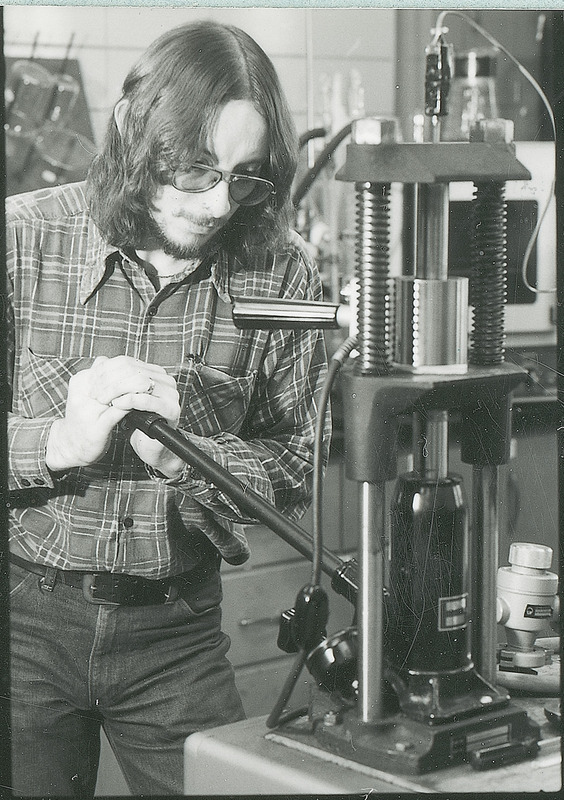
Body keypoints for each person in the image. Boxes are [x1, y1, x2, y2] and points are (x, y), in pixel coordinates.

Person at [6, 20, 330, 796]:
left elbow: (295, 463)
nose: (220, 204)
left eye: (244, 176)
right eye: (195, 169)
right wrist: (57, 440)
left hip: (176, 635)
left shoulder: (280, 272)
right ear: (133, 132)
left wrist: (194, 453)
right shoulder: (21, 241)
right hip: (24, 627)